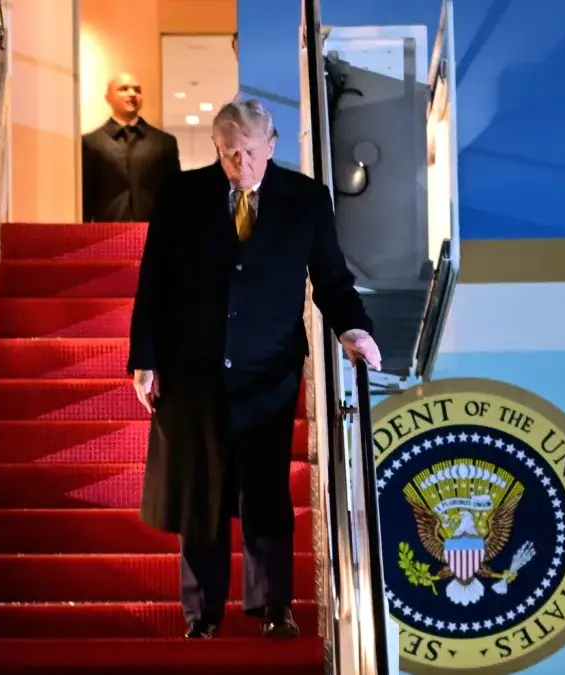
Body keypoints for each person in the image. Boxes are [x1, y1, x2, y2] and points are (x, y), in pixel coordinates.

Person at [127, 99, 382, 640]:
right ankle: (202, 615)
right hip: (192, 368)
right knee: (199, 492)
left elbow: (331, 279)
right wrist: (144, 359)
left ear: (271, 145)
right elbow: (154, 281)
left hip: (268, 371)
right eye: (227, 153)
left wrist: (354, 331)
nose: (238, 164)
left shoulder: (305, 199)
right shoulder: (181, 194)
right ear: (214, 148)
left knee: (265, 490)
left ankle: (273, 607)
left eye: (247, 151)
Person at [82, 73, 181, 223]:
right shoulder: (91, 142)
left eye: (137, 90)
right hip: (106, 230)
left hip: (154, 229)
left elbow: (175, 193)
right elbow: (86, 196)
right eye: (123, 89)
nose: (132, 94)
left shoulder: (165, 142)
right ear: (108, 98)